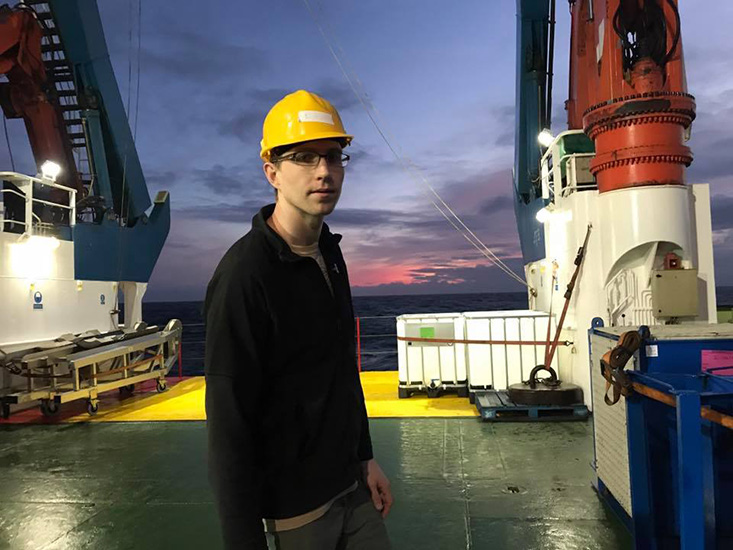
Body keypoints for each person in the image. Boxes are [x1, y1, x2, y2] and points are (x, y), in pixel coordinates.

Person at [204, 90, 393, 550]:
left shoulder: (329, 252)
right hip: (298, 509)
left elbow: (343, 370)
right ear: (271, 171)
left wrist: (365, 457)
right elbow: (229, 423)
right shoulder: (245, 275)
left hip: (351, 484)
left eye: (333, 156)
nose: (325, 171)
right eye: (305, 158)